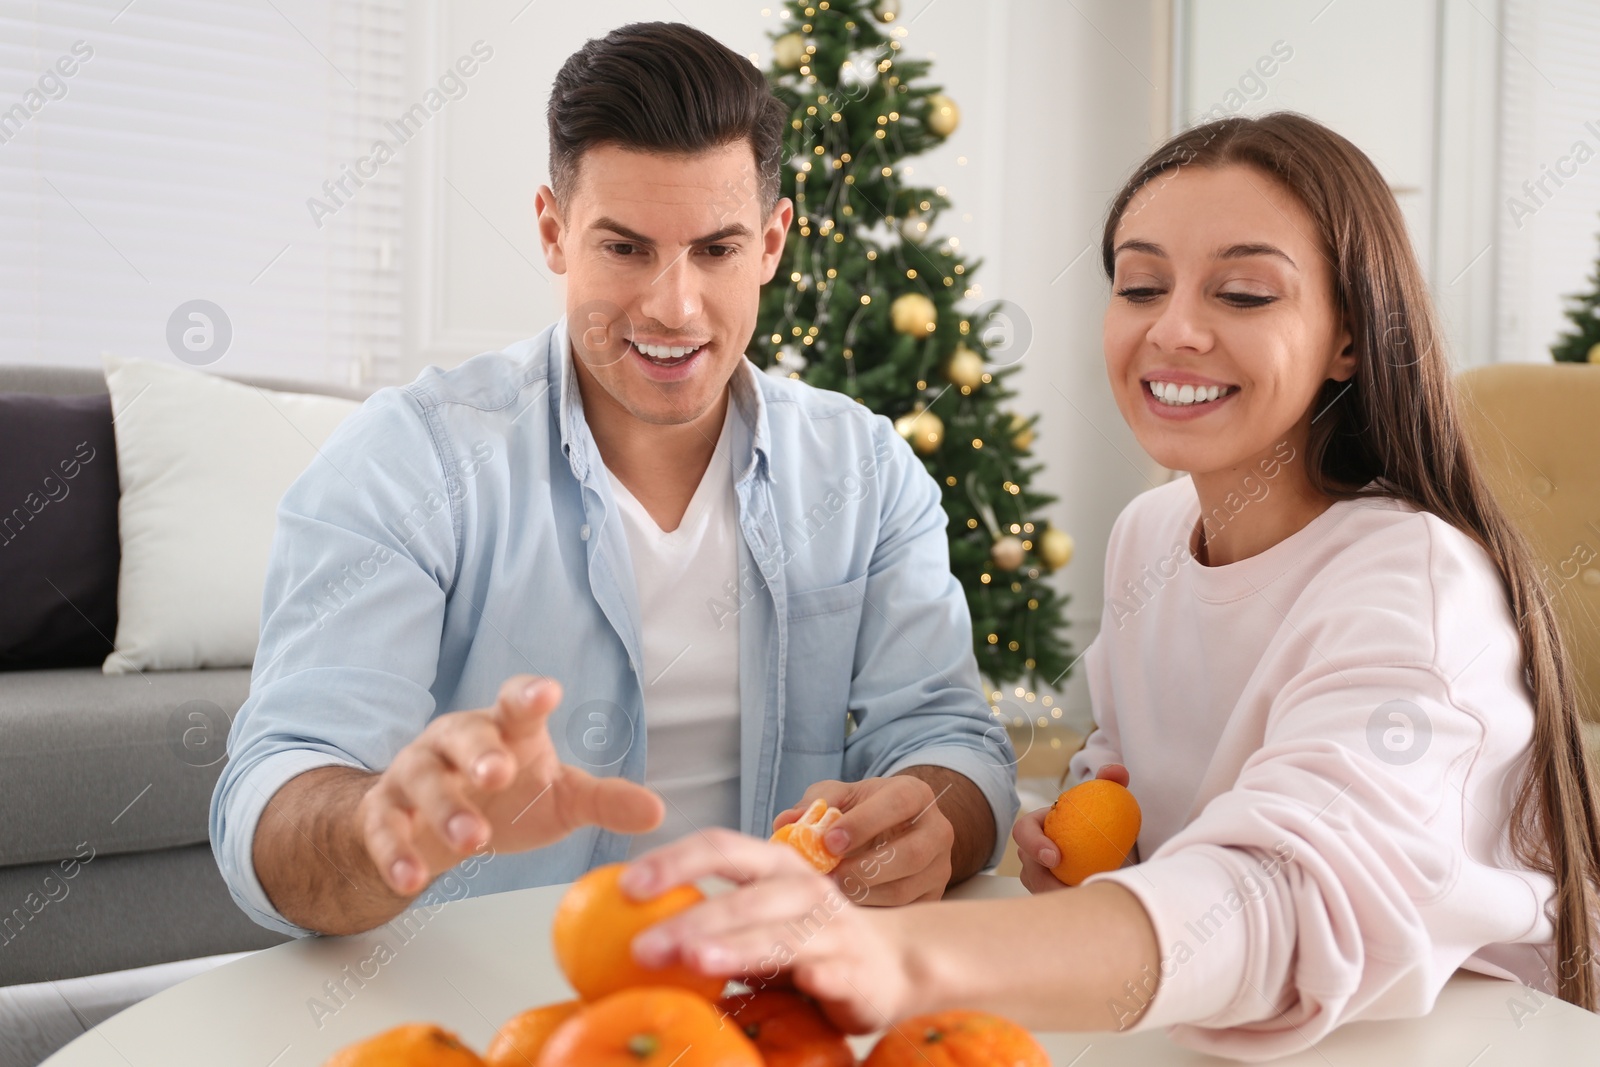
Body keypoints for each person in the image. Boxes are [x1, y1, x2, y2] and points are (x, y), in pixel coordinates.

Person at [621, 112, 1600, 1058]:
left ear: (1348, 336)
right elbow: (1138, 789)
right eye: (1139, 286)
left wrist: (902, 957)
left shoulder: (1414, 579)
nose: (1173, 329)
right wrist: (1082, 834)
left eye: (1244, 295)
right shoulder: (1151, 535)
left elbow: (1285, 896)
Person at [208, 21, 1017, 939]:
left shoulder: (866, 473)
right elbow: (276, 795)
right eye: (625, 248)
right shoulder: (409, 460)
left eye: (716, 250)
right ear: (554, 231)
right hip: (501, 1015)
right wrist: (383, 827)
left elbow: (951, 740)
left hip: (780, 999)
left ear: (773, 244)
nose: (673, 306)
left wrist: (932, 816)